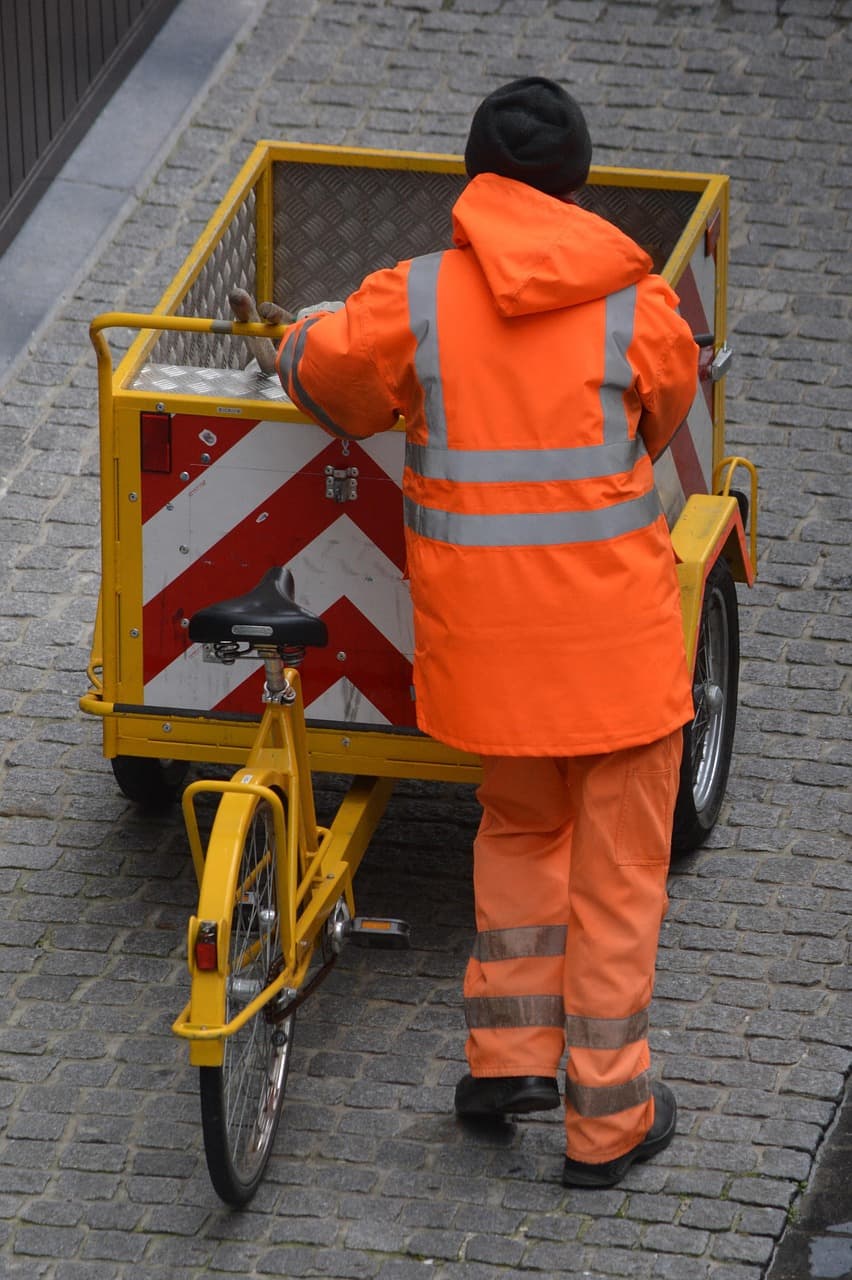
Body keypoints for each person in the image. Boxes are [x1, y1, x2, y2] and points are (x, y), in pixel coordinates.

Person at [271, 76, 698, 1189]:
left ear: (473, 178)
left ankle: (505, 1063)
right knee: (618, 882)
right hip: (619, 653)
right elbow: (660, 422)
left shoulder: (414, 298)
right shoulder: (639, 304)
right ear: (578, 184)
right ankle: (608, 1123)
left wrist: (292, 337)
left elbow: (331, 380)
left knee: (519, 834)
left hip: (494, 657)